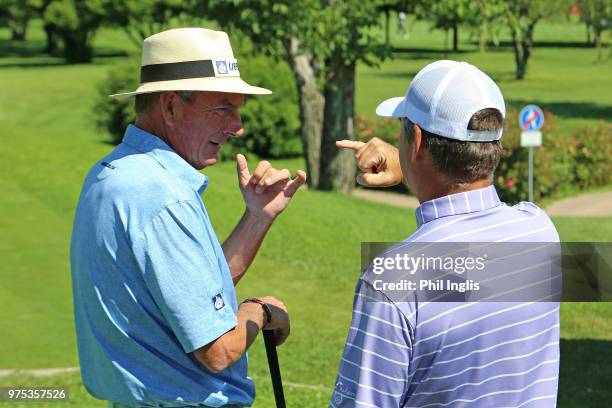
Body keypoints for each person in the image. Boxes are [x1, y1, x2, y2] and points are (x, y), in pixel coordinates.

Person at [70, 28, 306, 408]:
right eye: (223, 107)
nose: (238, 126)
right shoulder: (160, 195)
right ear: (171, 107)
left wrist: (257, 218)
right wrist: (260, 310)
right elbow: (217, 350)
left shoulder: (116, 171)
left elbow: (185, 294)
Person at [332, 60, 560, 407]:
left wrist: (411, 166)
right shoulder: (540, 231)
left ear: (417, 139)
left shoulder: (392, 280)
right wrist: (411, 164)